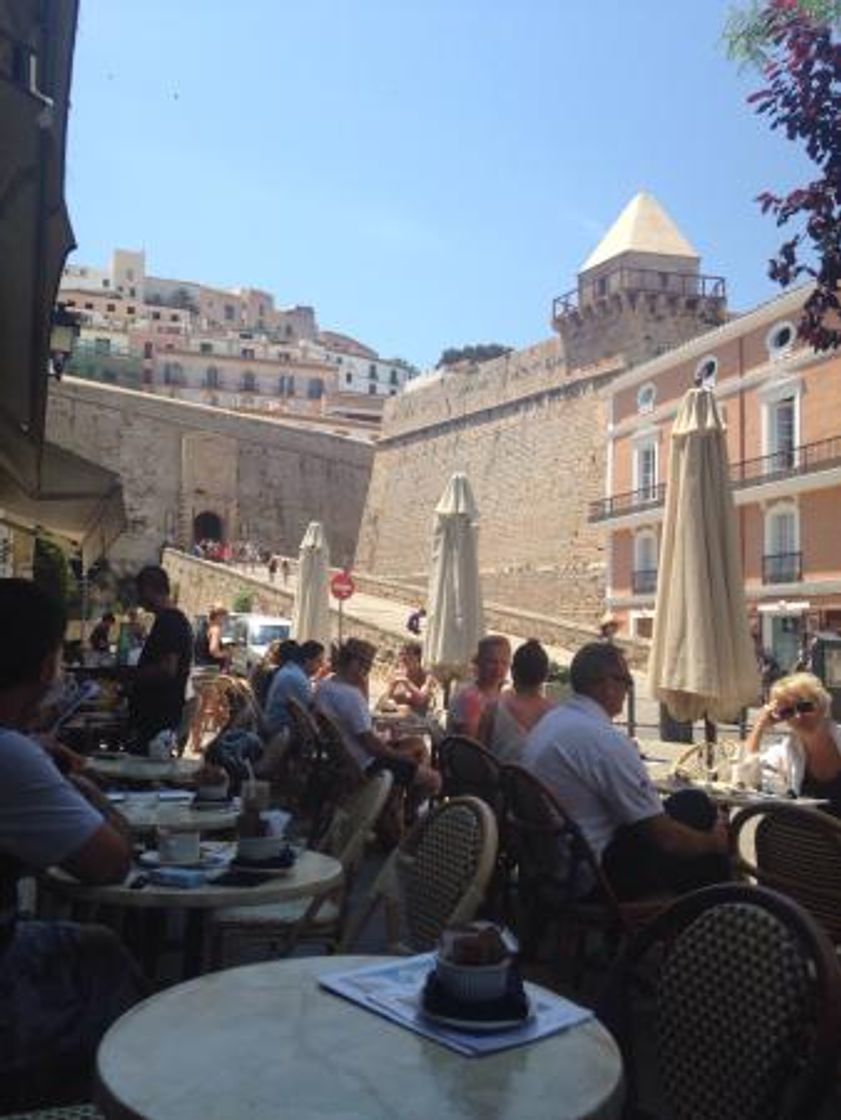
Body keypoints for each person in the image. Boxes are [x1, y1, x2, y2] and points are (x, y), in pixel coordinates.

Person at [0, 579, 144, 1107]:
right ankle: (113, 1101)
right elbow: (111, 864)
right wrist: (79, 786)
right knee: (104, 959)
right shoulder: (10, 758)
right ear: (45, 667)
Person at [521, 642, 729, 901]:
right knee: (695, 808)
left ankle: (713, 909)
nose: (628, 690)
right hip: (593, 877)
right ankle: (718, 916)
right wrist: (713, 842)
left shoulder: (552, 721)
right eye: (627, 681)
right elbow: (665, 837)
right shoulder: (603, 739)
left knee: (687, 806)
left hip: (553, 865)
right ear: (608, 683)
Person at [315, 638, 441, 799]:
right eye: (366, 665)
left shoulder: (324, 686)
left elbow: (363, 732)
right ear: (353, 663)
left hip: (345, 757)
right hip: (367, 764)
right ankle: (408, 815)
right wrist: (400, 756)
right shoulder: (351, 697)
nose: (367, 670)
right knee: (434, 779)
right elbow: (372, 746)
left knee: (416, 745)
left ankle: (394, 803)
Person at [744, 671, 841, 814]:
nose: (798, 716)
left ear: (822, 706)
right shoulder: (785, 752)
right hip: (801, 834)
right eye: (787, 712)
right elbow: (747, 774)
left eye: (805, 707)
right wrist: (760, 725)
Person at [128, 566, 194, 752]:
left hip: (157, 717)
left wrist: (132, 675)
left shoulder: (170, 621)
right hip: (160, 714)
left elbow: (168, 669)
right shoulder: (171, 620)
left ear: (149, 589)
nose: (139, 598)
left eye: (140, 592)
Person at [478, 639, 555, 762]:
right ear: (545, 675)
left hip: (498, 779)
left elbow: (478, 756)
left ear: (513, 672)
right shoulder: (555, 716)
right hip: (536, 781)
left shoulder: (494, 708)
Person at [448, 635, 512, 740]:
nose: (498, 668)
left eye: (504, 663)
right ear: (479, 662)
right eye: (492, 662)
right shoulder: (469, 697)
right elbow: (472, 746)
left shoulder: (504, 695)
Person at [263, 640, 325, 737]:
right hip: (281, 733)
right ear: (307, 660)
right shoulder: (297, 678)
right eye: (319, 661)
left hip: (277, 728)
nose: (322, 665)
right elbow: (311, 713)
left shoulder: (291, 670)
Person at [382, 642, 435, 715]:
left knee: (406, 709)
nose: (404, 659)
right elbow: (386, 698)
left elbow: (421, 699)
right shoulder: (396, 672)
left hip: (417, 718)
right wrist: (393, 685)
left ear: (417, 658)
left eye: (409, 656)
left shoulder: (426, 676)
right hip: (395, 716)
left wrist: (406, 682)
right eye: (402, 655)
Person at [194, 604, 228, 670]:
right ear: (218, 616)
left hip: (198, 666)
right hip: (211, 669)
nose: (224, 621)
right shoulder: (215, 629)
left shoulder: (202, 626)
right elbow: (213, 651)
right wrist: (225, 654)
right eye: (224, 618)